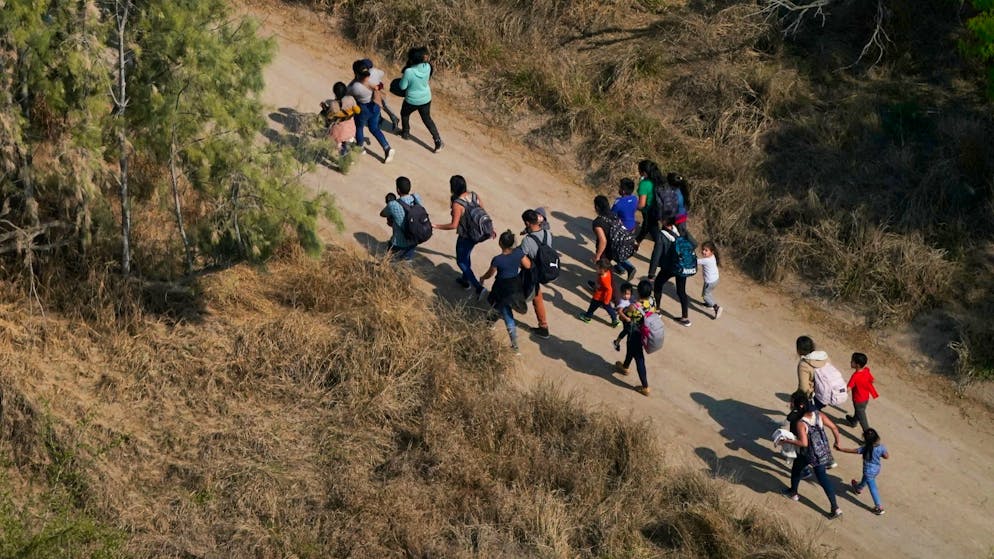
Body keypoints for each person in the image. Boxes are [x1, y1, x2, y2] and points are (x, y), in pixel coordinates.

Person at [776, 391, 844, 518]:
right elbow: (834, 428)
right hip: (822, 452)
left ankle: (793, 492)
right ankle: (835, 507)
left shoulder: (801, 423)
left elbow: (804, 443)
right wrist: (837, 443)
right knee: (824, 480)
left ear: (800, 406)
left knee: (796, 469)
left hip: (808, 454)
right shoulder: (819, 415)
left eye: (793, 403)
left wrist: (786, 440)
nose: (791, 405)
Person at [433, 175, 491, 299]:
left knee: (461, 261)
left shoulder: (457, 204)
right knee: (467, 255)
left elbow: (453, 225)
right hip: (478, 234)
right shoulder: (474, 195)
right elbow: (482, 213)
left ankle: (478, 287)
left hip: (466, 236)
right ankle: (465, 280)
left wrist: (437, 226)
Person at [480, 230, 531, 354]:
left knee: (506, 314)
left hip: (502, 288)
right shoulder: (519, 253)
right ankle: (488, 323)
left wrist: (482, 278)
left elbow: (490, 274)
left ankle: (515, 346)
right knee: (499, 307)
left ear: (500, 243)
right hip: (515, 286)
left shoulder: (498, 260)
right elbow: (528, 265)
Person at [398, 46, 443, 152]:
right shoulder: (428, 66)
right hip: (426, 98)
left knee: (404, 114)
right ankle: (438, 141)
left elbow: (402, 87)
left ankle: (405, 133)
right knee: (427, 119)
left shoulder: (409, 71)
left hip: (411, 100)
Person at [614, 280, 655, 396]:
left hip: (635, 334)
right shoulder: (652, 301)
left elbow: (623, 318)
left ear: (638, 292)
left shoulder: (634, 307)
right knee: (631, 349)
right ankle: (625, 366)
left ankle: (645, 386)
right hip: (645, 332)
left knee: (639, 358)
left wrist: (623, 312)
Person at [652, 218, 695, 327]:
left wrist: (651, 273)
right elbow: (694, 243)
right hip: (682, 266)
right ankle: (685, 318)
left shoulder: (661, 235)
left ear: (665, 222)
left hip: (669, 267)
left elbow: (656, 254)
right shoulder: (680, 230)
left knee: (658, 283)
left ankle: (657, 310)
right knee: (681, 291)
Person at [836, 428, 889, 515]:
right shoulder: (881, 447)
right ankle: (858, 488)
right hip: (877, 469)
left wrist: (840, 449)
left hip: (868, 471)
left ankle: (879, 507)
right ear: (877, 437)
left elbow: (853, 451)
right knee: (866, 479)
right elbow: (886, 456)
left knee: (873, 487)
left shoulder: (865, 448)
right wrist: (882, 454)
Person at [348, 66, 395, 163]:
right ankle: (387, 148)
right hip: (375, 106)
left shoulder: (357, 87)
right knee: (374, 128)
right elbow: (381, 73)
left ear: (357, 75)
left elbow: (348, 93)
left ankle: (360, 146)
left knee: (359, 127)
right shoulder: (374, 74)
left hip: (364, 108)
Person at [519, 209, 552, 339]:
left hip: (530, 273)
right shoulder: (547, 234)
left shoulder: (527, 241)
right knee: (537, 296)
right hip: (542, 271)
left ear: (527, 223)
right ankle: (543, 327)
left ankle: (493, 315)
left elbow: (521, 260)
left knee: (510, 291)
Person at [634, 160, 667, 279]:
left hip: (649, 212)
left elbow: (642, 204)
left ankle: (653, 269)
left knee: (655, 235)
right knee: (645, 227)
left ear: (643, 172)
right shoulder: (660, 180)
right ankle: (636, 243)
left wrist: (633, 206)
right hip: (661, 212)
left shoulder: (644, 184)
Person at [592, 195, 634, 281]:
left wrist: (598, 255)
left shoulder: (597, 222)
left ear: (597, 207)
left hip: (606, 251)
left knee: (603, 271)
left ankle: (608, 290)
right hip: (614, 247)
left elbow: (603, 241)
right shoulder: (613, 215)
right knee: (606, 269)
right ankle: (599, 286)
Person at [379, 176, 422, 261]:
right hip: (413, 240)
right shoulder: (416, 197)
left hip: (398, 242)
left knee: (390, 262)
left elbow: (382, 214)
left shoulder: (393, 205)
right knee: (406, 263)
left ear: (398, 190)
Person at [356, 58, 401, 130]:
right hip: (379, 89)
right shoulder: (376, 71)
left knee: (376, 104)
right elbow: (382, 73)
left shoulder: (366, 73)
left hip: (374, 91)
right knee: (383, 105)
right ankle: (390, 118)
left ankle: (382, 119)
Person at [320, 82, 360, 155]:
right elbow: (358, 111)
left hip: (338, 131)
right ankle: (346, 150)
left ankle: (341, 151)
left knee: (338, 143)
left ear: (334, 92)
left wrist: (325, 108)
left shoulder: (332, 104)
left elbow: (329, 117)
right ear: (345, 90)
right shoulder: (351, 99)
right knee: (347, 140)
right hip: (350, 128)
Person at [611, 178, 639, 280]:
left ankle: (629, 267)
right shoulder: (635, 199)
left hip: (622, 230)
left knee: (615, 250)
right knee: (622, 248)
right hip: (632, 228)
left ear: (622, 191)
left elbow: (612, 215)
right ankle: (620, 267)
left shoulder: (619, 202)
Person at [578, 259, 619, 325]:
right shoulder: (608, 272)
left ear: (602, 269)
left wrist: (606, 299)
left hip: (599, 296)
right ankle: (615, 320)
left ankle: (587, 317)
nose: (596, 269)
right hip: (604, 297)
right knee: (609, 308)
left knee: (592, 307)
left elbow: (609, 289)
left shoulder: (603, 279)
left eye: (597, 268)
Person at [845, 352, 879, 431]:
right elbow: (872, 380)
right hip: (865, 398)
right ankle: (853, 421)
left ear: (857, 365)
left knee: (863, 421)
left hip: (858, 401)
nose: (850, 362)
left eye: (852, 361)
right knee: (859, 412)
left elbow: (848, 389)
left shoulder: (855, 376)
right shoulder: (866, 370)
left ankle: (868, 436)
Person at [796, 335, 830, 408]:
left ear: (798, 350)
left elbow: (804, 388)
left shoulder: (804, 364)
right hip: (828, 393)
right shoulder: (824, 357)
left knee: (801, 415)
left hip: (815, 396)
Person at [699, 240, 722, 319]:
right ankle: (709, 304)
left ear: (712, 252)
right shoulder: (712, 257)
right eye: (703, 249)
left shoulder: (706, 260)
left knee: (705, 296)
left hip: (709, 281)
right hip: (715, 280)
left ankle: (716, 307)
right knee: (707, 292)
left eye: (706, 250)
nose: (703, 252)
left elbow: (695, 261)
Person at [612, 282, 634, 351]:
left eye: (628, 294)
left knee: (626, 331)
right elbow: (619, 312)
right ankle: (617, 342)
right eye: (624, 294)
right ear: (621, 293)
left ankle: (617, 341)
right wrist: (626, 318)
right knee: (626, 330)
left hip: (628, 317)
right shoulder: (622, 302)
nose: (626, 296)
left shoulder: (629, 299)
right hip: (625, 319)